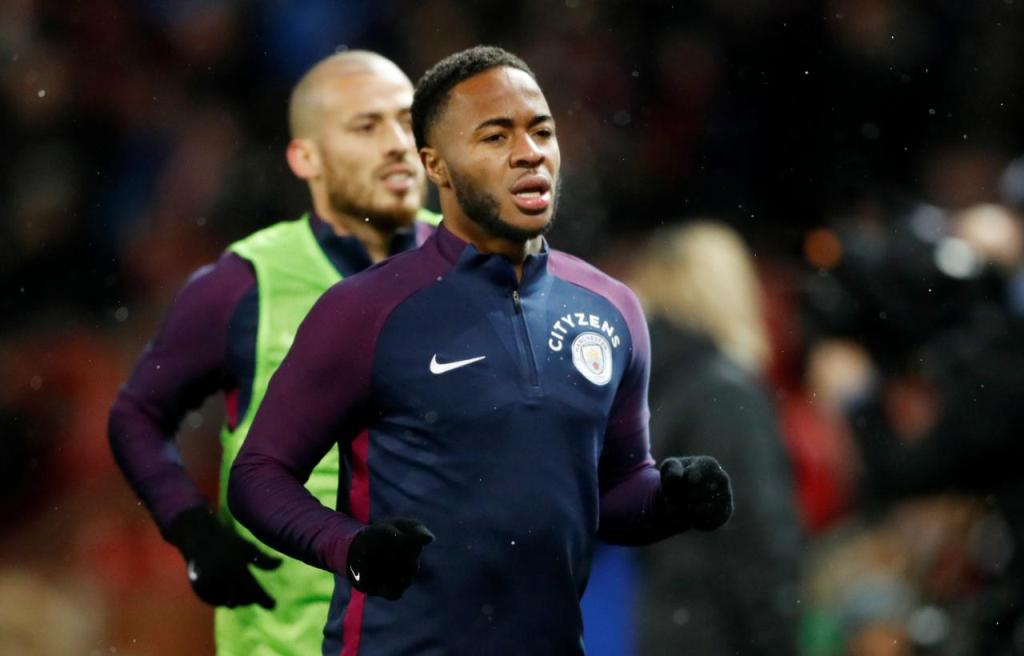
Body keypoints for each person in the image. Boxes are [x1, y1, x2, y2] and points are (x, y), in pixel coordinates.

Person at [228, 45, 734, 655]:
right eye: (496, 137)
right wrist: (349, 547)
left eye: (541, 130)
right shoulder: (364, 311)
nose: (530, 153)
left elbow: (616, 490)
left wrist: (671, 501)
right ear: (435, 166)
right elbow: (258, 476)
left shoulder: (613, 309)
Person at [107, 50, 440, 656]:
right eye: (366, 126)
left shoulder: (472, 268)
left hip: (444, 632)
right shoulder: (243, 284)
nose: (397, 144)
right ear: (304, 157)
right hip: (290, 639)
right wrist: (192, 529)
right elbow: (137, 414)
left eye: (406, 123)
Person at [629, 222, 803, 656]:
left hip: (663, 624)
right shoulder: (723, 394)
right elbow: (758, 538)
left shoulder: (650, 391)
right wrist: (776, 637)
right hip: (722, 634)